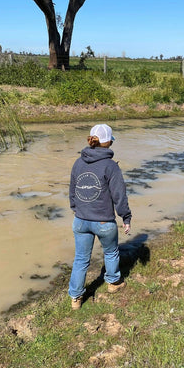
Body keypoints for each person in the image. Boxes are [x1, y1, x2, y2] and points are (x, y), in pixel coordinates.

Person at [68, 123, 132, 310]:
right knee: (111, 252)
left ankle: (76, 298)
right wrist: (125, 218)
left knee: (81, 259)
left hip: (80, 220)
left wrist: (76, 209)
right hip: (104, 221)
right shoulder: (110, 166)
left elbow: (72, 191)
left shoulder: (78, 162)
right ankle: (113, 283)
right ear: (108, 142)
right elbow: (119, 196)